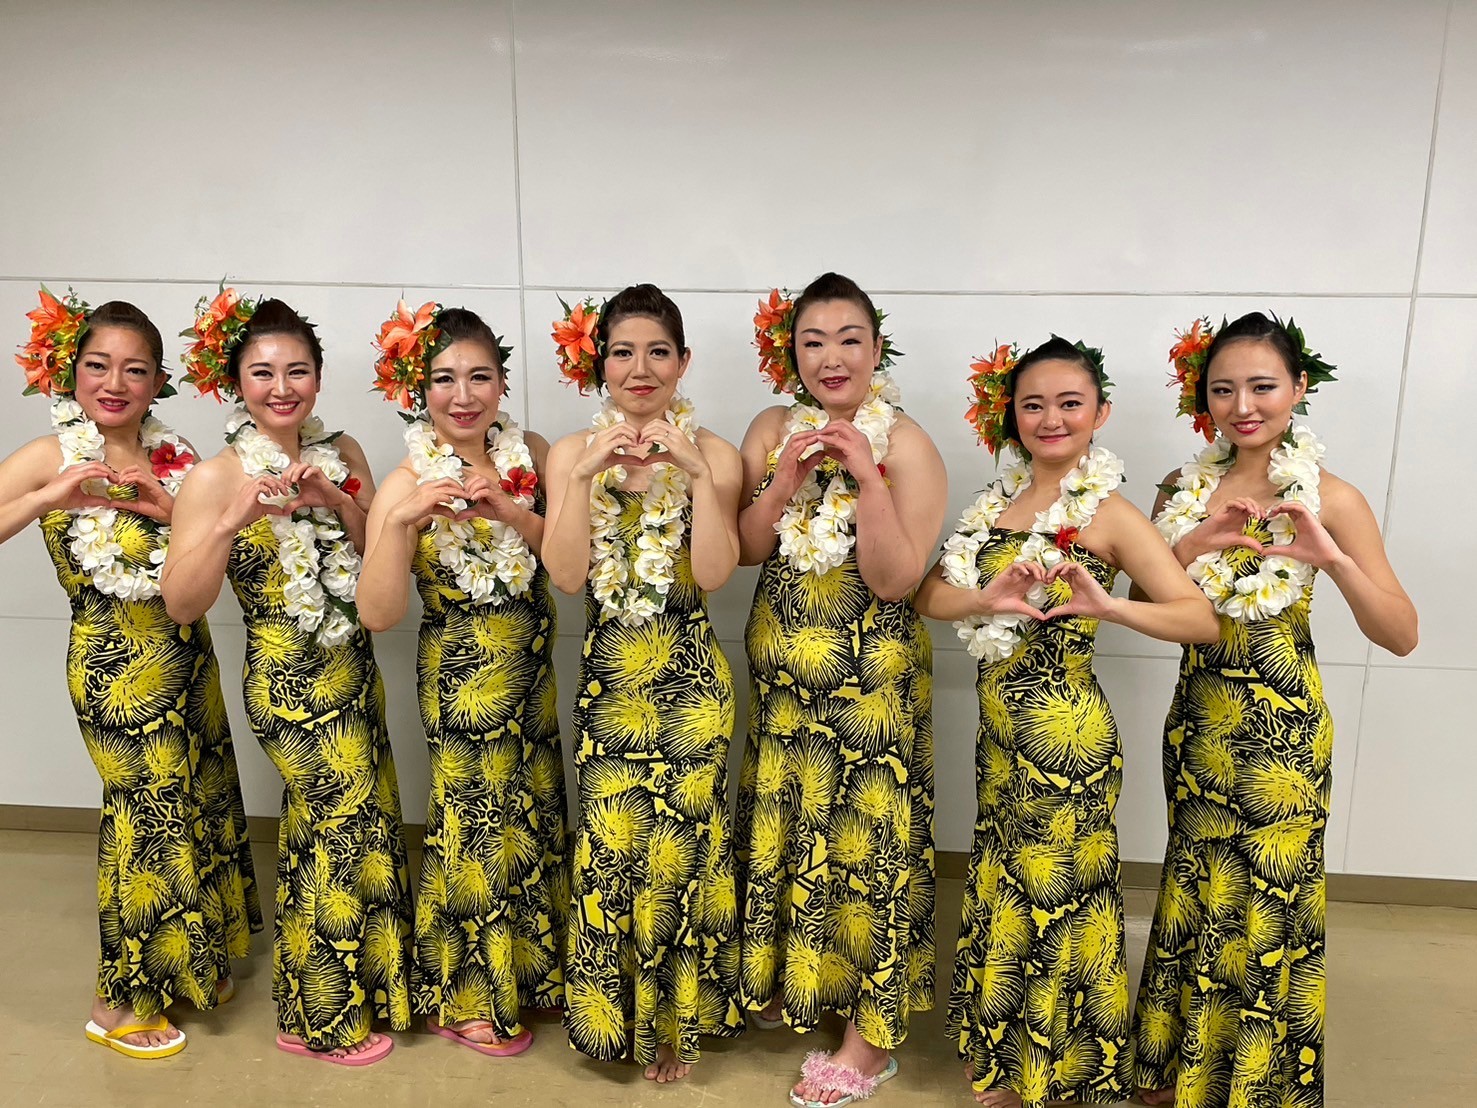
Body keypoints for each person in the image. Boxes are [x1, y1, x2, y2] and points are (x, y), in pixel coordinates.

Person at [915, 335, 1220, 1107]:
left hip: (1066, 735)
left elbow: (1197, 618)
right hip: (999, 737)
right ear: (1011, 416)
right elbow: (928, 596)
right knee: (1007, 885)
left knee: (1058, 895)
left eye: (1069, 403)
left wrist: (1108, 606)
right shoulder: (994, 507)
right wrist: (984, 597)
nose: (1050, 418)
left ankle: (1058, 1070)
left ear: (1098, 413)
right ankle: (1006, 1049)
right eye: (1033, 404)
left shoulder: (1108, 513)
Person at [1132, 312, 1417, 1108]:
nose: (1242, 405)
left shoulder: (1331, 497)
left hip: (1282, 736)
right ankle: (1182, 1072)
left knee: (1267, 905)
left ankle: (1253, 1086)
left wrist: (1333, 559)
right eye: (1222, 389)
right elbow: (1139, 605)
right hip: (1197, 725)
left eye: (1261, 386)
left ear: (1298, 388)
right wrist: (1185, 547)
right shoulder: (1179, 490)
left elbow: (1399, 634)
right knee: (1196, 888)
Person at [0, 290, 259, 1058]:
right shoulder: (50, 454)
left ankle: (187, 963)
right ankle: (118, 1003)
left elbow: (213, 546)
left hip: (187, 656)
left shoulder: (176, 457)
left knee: (198, 802)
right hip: (114, 668)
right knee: (146, 821)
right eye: (98, 365)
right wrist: (50, 496)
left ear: (158, 381)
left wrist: (165, 510)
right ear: (71, 372)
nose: (114, 383)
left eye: (135, 369)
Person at [161, 290, 411, 1066]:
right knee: (337, 830)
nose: (281, 387)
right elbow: (181, 602)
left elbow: (381, 555)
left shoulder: (345, 453)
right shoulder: (213, 477)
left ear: (318, 378)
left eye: (296, 371)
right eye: (262, 373)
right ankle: (320, 1021)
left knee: (344, 832)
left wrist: (337, 498)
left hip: (352, 669)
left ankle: (346, 992)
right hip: (285, 680)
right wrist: (231, 519)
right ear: (236, 383)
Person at [736, 274, 946, 1108]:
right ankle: (806, 987)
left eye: (848, 339)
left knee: (868, 852)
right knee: (794, 837)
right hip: (785, 692)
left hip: (870, 694)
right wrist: (783, 482)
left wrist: (867, 475)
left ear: (875, 348)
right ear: (790, 354)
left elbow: (896, 580)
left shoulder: (910, 445)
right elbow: (747, 549)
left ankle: (869, 1040)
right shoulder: (769, 429)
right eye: (812, 341)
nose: (831, 357)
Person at [541, 284, 746, 1082]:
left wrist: (695, 475)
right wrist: (581, 477)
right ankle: (610, 1018)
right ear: (600, 365)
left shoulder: (716, 452)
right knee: (611, 850)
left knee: (679, 856)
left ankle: (674, 1024)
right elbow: (566, 576)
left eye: (657, 351)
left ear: (682, 362)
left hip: (691, 685)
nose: (640, 368)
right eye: (623, 352)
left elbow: (715, 572)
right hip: (608, 686)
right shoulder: (570, 452)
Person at [358, 302, 568, 1056]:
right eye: (444, 378)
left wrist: (513, 512)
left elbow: (566, 564)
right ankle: (467, 997)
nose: (463, 395)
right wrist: (401, 523)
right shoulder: (404, 481)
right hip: (461, 680)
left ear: (502, 383)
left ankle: (531, 975)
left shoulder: (531, 454)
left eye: (480, 376)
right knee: (476, 826)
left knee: (531, 813)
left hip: (532, 672)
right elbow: (377, 611)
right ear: (418, 390)